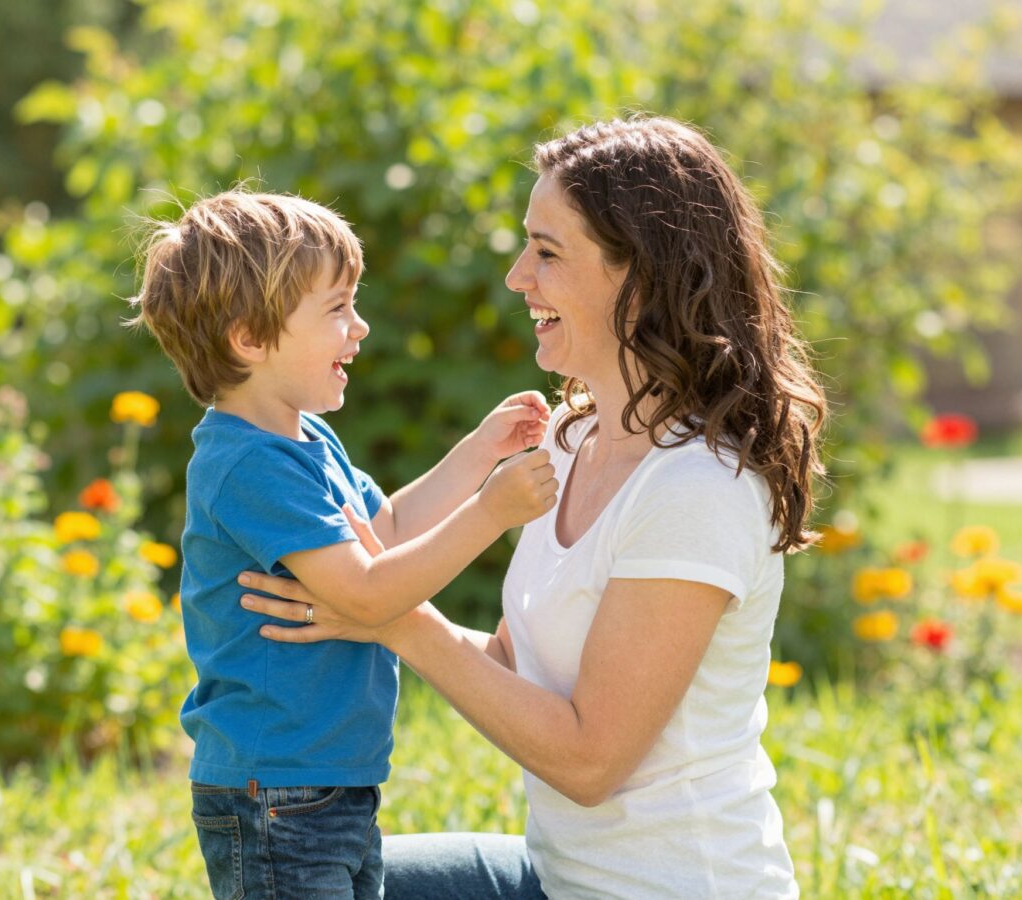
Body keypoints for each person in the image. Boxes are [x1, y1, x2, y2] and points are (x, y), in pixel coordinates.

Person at [236, 116, 827, 898]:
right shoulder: (569, 439)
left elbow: (589, 762)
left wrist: (393, 618)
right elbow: (516, 668)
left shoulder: (697, 489)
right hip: (557, 879)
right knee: (296, 879)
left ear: (641, 277)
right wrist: (365, 602)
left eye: (547, 252)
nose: (518, 277)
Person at [129, 189, 558, 899]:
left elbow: (386, 531)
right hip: (276, 794)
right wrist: (491, 513)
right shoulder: (248, 463)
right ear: (249, 337)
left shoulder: (304, 437)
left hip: (326, 783)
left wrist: (479, 453)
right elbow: (366, 593)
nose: (360, 327)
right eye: (337, 309)